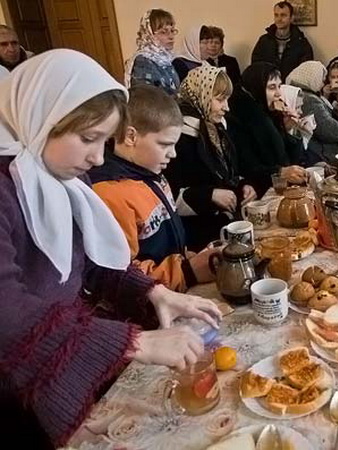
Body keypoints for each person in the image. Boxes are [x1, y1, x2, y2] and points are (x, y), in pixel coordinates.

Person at [0, 49, 221, 447]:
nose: (98, 156)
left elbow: (97, 264)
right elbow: (7, 312)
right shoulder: (6, 186)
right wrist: (134, 341)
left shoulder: (63, 176)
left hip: (52, 379)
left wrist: (154, 291)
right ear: (41, 116)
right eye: (88, 138)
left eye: (105, 141)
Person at [91, 85, 217, 291]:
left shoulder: (152, 173)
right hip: (149, 308)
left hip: (176, 288)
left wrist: (189, 258)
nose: (173, 154)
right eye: (164, 145)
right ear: (131, 137)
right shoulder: (109, 194)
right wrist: (187, 271)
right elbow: (120, 274)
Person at [166, 65, 257, 251]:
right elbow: (170, 198)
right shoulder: (178, 138)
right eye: (220, 99)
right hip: (200, 239)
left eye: (227, 99)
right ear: (201, 95)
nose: (226, 107)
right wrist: (210, 195)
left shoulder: (216, 129)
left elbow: (227, 174)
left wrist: (244, 186)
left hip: (225, 225)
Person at [227, 62, 306, 195]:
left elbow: (293, 160)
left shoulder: (270, 113)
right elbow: (247, 166)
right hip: (255, 192)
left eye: (279, 86)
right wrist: (280, 172)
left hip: (278, 187)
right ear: (256, 87)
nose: (278, 94)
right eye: (271, 87)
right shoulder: (242, 117)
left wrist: (289, 129)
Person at [286, 61, 338, 165]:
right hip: (323, 157)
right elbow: (333, 132)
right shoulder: (309, 99)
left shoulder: (297, 93)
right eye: (321, 80)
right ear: (313, 78)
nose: (323, 83)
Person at [251, 1, 314, 81]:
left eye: (283, 15)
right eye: (276, 15)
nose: (279, 19)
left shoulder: (301, 43)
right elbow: (255, 67)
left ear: (291, 18)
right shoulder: (264, 41)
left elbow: (307, 70)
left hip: (292, 88)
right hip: (268, 87)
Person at [125, 9, 180, 95]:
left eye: (172, 31)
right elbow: (146, 98)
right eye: (164, 32)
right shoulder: (143, 61)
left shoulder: (165, 59)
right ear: (149, 34)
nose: (171, 36)